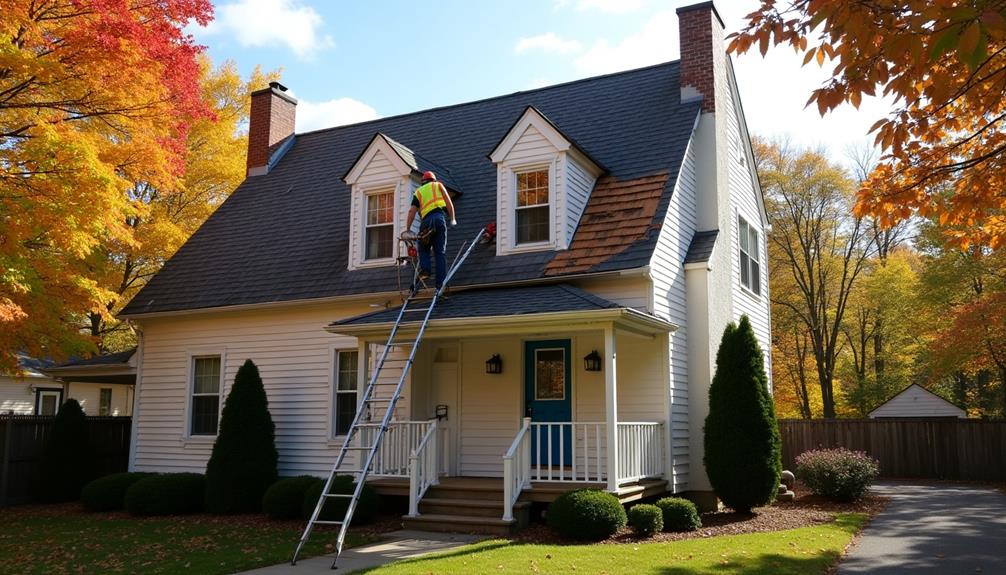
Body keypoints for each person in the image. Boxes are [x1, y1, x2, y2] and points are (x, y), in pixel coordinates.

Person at [406, 171, 456, 290]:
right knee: (440, 253)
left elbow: (412, 211)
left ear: (422, 182)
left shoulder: (419, 192)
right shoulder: (438, 185)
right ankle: (440, 284)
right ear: (433, 180)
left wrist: (407, 229)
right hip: (439, 219)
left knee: (423, 248)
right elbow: (449, 203)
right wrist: (453, 218)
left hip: (426, 222)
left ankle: (426, 270)